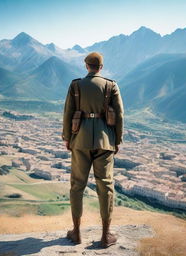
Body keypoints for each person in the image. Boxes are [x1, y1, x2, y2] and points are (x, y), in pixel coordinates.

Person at [62, 52, 124, 248]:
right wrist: (117, 140)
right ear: (101, 67)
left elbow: (68, 113)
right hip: (105, 141)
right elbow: (120, 115)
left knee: (77, 185)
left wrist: (67, 138)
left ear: (85, 65)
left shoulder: (75, 85)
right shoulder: (111, 85)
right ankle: (106, 235)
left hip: (80, 140)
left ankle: (76, 232)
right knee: (105, 186)